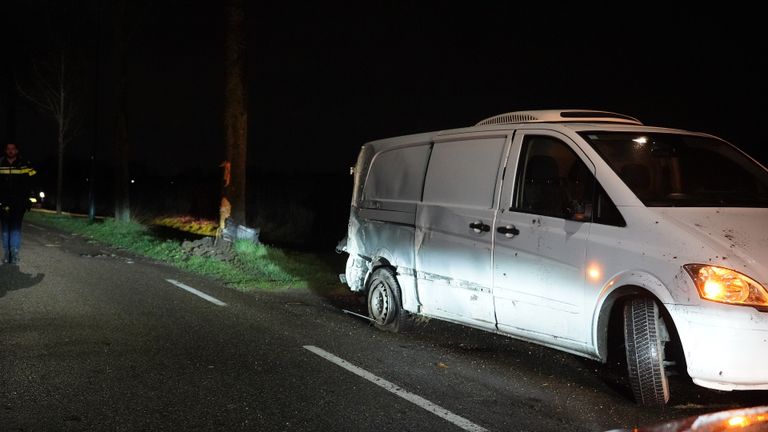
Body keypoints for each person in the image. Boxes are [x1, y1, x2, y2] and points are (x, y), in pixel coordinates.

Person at [0, 143, 36, 264]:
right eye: (8, 149)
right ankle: (6, 253)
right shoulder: (0, 163)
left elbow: (33, 181)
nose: (10, 151)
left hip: (19, 201)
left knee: (15, 227)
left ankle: (14, 252)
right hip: (3, 201)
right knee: (5, 228)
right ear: (6, 150)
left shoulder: (25, 164)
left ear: (17, 150)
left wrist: (31, 199)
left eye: (13, 149)